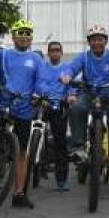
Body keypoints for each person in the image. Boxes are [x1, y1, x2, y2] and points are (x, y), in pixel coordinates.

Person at [62, 25, 109, 200]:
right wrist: (67, 75)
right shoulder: (84, 56)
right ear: (89, 42)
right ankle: (78, 148)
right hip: (89, 94)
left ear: (105, 41)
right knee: (76, 108)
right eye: (94, 39)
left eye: (100, 39)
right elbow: (72, 68)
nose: (97, 42)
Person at [0, 20, 44, 208]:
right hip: (2, 104)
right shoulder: (4, 54)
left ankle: (19, 193)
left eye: (27, 33)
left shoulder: (36, 59)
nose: (24, 36)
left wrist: (37, 95)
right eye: (20, 33)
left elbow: (40, 81)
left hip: (24, 109)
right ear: (14, 35)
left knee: (22, 152)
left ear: (31, 37)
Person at [36, 41, 72, 191]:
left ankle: (62, 179)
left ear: (61, 53)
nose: (55, 53)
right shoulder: (42, 67)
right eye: (52, 50)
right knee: (36, 137)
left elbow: (72, 86)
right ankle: (35, 171)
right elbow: (38, 83)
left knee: (61, 143)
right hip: (44, 105)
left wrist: (71, 96)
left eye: (57, 50)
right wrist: (44, 95)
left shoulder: (67, 68)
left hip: (60, 107)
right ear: (48, 53)